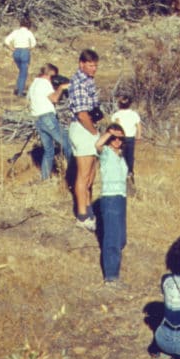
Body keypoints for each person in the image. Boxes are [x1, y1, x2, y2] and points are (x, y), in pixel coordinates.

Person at [67, 48, 101, 230]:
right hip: (83, 129)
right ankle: (82, 216)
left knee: (91, 174)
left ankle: (88, 209)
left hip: (88, 128)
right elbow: (82, 114)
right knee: (83, 174)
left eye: (95, 65)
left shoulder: (89, 81)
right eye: (90, 65)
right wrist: (94, 132)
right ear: (81, 64)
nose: (93, 68)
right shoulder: (79, 83)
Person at [95, 123, 128, 285]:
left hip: (121, 198)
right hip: (110, 198)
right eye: (113, 138)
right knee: (112, 238)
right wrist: (109, 133)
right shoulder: (106, 153)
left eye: (120, 138)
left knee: (121, 238)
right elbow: (98, 145)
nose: (117, 141)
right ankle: (111, 277)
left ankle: (113, 271)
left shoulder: (121, 156)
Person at [27, 63, 72, 181]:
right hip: (48, 118)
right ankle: (75, 173)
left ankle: (44, 178)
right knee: (67, 143)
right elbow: (54, 99)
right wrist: (61, 88)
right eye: (54, 76)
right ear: (50, 73)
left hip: (38, 120)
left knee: (48, 151)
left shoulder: (34, 84)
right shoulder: (44, 83)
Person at [110, 91, 141, 182]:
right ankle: (129, 171)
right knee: (129, 155)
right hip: (128, 138)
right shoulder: (134, 114)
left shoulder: (117, 115)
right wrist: (138, 135)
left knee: (122, 155)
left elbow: (114, 126)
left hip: (121, 138)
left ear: (119, 104)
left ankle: (125, 172)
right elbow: (138, 125)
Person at [4, 16, 37, 97]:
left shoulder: (15, 32)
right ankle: (20, 92)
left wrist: (12, 49)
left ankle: (18, 88)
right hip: (24, 52)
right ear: (29, 25)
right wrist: (28, 49)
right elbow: (34, 44)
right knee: (23, 73)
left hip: (16, 51)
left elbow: (6, 41)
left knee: (21, 71)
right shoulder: (29, 33)